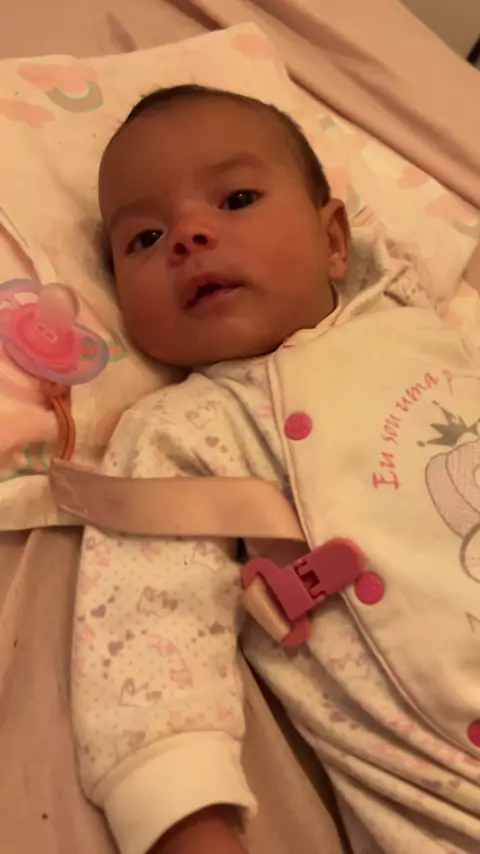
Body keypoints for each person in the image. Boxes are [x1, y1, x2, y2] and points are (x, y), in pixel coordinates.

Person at [73, 84, 480, 854]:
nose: (188, 235)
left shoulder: (421, 326)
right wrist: (184, 818)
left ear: (335, 241)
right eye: (145, 238)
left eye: (236, 199)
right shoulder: (182, 430)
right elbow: (147, 633)